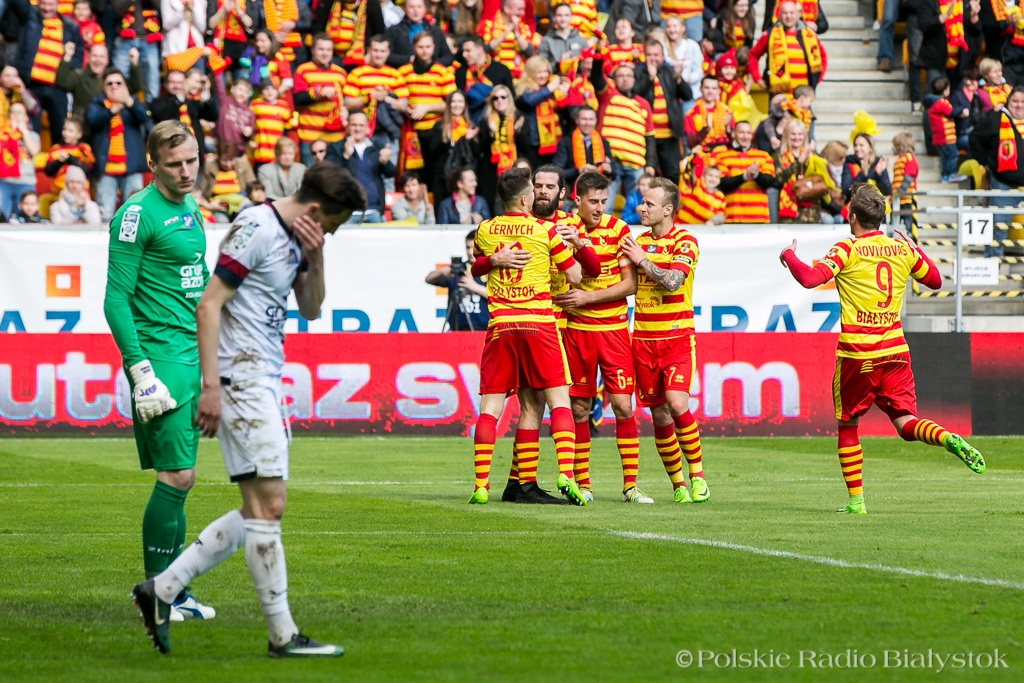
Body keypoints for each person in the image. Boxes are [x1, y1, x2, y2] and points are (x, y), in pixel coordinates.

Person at [132, 161, 366, 657]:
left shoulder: (300, 238)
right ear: (317, 208)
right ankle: (282, 636)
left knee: (263, 507)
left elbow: (310, 309)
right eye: (333, 224)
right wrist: (211, 387)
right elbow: (209, 304)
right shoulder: (255, 227)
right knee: (269, 506)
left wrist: (316, 258)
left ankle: (162, 590)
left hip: (264, 376)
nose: (331, 232)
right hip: (240, 378)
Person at [779, 184, 985, 515]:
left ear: (853, 215)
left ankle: (856, 502)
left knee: (848, 424)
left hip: (858, 355)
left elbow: (810, 279)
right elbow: (935, 281)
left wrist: (788, 255)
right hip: (895, 352)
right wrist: (915, 249)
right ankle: (946, 437)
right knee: (906, 424)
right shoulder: (901, 249)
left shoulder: (848, 248)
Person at [103, 121, 214, 624]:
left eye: (192, 160)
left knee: (184, 478)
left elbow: (197, 282)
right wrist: (140, 371)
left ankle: (173, 589)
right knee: (177, 475)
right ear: (152, 164)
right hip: (161, 361)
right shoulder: (135, 215)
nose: (187, 171)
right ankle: (157, 595)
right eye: (175, 164)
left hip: (192, 356)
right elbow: (115, 300)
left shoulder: (191, 207)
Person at [474, 164, 602, 503]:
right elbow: (576, 274)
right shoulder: (540, 230)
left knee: (537, 405)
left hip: (554, 323)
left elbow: (592, 271)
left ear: (561, 193)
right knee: (539, 404)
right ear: (529, 195)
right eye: (539, 185)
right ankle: (526, 483)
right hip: (542, 324)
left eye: (549, 186)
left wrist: (583, 243)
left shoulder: (570, 225)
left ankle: (511, 484)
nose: (543, 191)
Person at [552, 171, 646, 504]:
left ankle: (630, 486)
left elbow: (629, 285)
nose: (600, 207)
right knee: (578, 409)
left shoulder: (618, 229)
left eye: (604, 201)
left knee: (622, 405)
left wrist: (587, 298)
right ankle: (583, 484)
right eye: (593, 201)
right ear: (577, 200)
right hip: (577, 332)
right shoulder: (565, 228)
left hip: (614, 331)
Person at [618, 177, 709, 503]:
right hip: (642, 339)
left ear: (668, 210)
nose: (642, 208)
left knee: (676, 403)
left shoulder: (685, 240)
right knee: (658, 415)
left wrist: (642, 259)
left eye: (649, 204)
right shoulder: (635, 241)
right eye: (642, 203)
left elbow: (673, 282)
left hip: (677, 338)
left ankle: (697, 476)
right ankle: (678, 484)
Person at [9, 0, 84, 142]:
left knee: (60, 129)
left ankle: (58, 161)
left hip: (57, 87)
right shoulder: (30, 16)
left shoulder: (70, 26)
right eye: (43, 4)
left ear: (57, 5)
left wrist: (69, 76)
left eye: (51, 4)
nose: (47, 8)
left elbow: (78, 53)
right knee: (31, 129)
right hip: (31, 85)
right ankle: (31, 162)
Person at [86, 67, 150, 221]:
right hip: (106, 169)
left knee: (135, 214)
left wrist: (129, 103)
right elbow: (92, 121)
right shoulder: (96, 103)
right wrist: (113, 109)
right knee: (105, 214)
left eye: (118, 83)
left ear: (125, 86)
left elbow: (144, 119)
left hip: (132, 167)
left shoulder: (133, 102)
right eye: (110, 83)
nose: (114, 86)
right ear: (103, 87)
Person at [591, 57, 656, 207]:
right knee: (604, 207)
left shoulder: (643, 104)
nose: (625, 79)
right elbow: (596, 76)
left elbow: (650, 137)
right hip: (610, 161)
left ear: (634, 79)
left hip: (636, 163)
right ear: (613, 79)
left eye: (629, 76)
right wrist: (599, 55)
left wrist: (650, 163)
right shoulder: (607, 94)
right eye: (620, 76)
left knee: (641, 209)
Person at [968, 86, 1024, 257]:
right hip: (1003, 184)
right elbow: (975, 138)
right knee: (998, 228)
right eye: (1015, 101)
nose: (1019, 105)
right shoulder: (996, 119)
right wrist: (986, 161)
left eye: (1023, 102)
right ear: (1008, 102)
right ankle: (992, 267)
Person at [633, 39, 692, 185]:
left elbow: (688, 96)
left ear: (663, 56)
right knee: (646, 175)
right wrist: (650, 78)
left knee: (672, 174)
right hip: (646, 135)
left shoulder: (670, 71)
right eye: (649, 55)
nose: (653, 58)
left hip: (669, 134)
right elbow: (635, 94)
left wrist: (679, 80)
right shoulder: (637, 72)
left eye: (656, 55)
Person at [343, 34, 409, 158]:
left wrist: (385, 98)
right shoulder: (356, 74)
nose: (379, 55)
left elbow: (403, 106)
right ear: (369, 50)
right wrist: (369, 97)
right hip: (361, 132)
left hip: (387, 133)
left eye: (382, 51)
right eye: (375, 51)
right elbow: (348, 104)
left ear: (388, 52)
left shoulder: (396, 75)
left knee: (387, 173)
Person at [56, 43, 142, 134]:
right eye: (94, 56)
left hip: (106, 132)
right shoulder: (79, 76)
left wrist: (134, 63)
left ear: (107, 60)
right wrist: (67, 56)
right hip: (84, 131)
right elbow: (62, 83)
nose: (98, 60)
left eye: (101, 57)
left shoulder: (112, 80)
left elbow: (134, 87)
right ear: (88, 58)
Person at [398, 32, 457, 160]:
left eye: (428, 47)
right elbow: (398, 99)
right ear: (413, 48)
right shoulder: (403, 72)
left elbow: (452, 104)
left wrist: (426, 108)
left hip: (435, 129)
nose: (424, 51)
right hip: (410, 130)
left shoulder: (443, 72)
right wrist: (405, 108)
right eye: (420, 47)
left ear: (434, 47)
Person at [748, 1, 827, 95]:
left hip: (803, 95)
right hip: (779, 94)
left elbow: (822, 56)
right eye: (785, 13)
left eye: (792, 13)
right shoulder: (770, 34)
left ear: (799, 14)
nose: (788, 16)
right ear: (779, 15)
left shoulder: (809, 35)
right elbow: (753, 55)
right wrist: (758, 79)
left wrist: (817, 78)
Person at [293, 33, 349, 165]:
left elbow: (346, 100)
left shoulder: (341, 73)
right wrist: (319, 92)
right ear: (313, 50)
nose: (325, 53)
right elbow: (299, 98)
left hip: (335, 137)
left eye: (328, 50)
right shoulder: (303, 70)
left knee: (335, 179)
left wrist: (346, 112)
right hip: (310, 136)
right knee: (312, 178)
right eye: (321, 49)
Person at [330, 110, 395, 223]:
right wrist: (345, 156)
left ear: (367, 127)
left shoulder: (376, 147)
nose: (357, 129)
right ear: (347, 126)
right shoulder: (336, 147)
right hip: (346, 212)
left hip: (374, 210)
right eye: (354, 125)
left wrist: (386, 163)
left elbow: (390, 173)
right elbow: (329, 176)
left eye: (361, 125)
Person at [150, 70, 219, 175]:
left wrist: (205, 92)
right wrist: (180, 96)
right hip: (172, 159)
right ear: (165, 84)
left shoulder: (192, 103)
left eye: (180, 83)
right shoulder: (159, 102)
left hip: (194, 158)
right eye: (172, 82)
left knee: (195, 191)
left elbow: (212, 116)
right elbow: (162, 115)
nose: (176, 86)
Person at [422, 91, 481, 210]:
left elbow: (477, 155)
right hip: (442, 179)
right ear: (449, 105)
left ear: (464, 105)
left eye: (460, 101)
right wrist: (446, 140)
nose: (457, 105)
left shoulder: (470, 127)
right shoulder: (440, 126)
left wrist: (470, 140)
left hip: (463, 181)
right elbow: (432, 154)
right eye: (453, 101)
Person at [425, 228, 489, 330]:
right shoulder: (458, 269)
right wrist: (442, 271)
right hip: (459, 326)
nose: (470, 252)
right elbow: (428, 279)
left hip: (484, 327)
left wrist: (474, 286)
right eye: (468, 248)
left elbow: (499, 298)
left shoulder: (490, 269)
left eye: (474, 248)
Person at [476, 85, 525, 213]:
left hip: (513, 172)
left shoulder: (519, 117)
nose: (500, 100)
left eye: (503, 97)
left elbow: (526, 147)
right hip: (491, 172)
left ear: (509, 99)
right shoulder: (486, 121)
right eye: (495, 98)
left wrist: (517, 132)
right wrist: (491, 133)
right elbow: (482, 148)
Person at [774, 119, 834, 223]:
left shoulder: (813, 154)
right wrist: (798, 162)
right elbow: (779, 179)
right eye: (793, 134)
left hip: (811, 212)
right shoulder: (780, 156)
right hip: (790, 215)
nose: (796, 137)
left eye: (800, 134)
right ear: (787, 135)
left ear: (804, 136)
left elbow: (822, 180)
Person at [716, 121, 776, 223]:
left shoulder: (764, 156)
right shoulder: (722, 157)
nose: (745, 136)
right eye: (741, 132)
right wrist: (745, 176)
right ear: (733, 134)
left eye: (748, 133)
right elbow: (723, 183)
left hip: (759, 218)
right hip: (733, 218)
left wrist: (756, 174)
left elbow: (769, 181)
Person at [514, 56, 567, 170]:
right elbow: (529, 101)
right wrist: (549, 89)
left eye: (545, 71)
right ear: (530, 72)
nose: (543, 75)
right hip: (533, 143)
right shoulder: (522, 87)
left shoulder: (553, 90)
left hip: (554, 143)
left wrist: (564, 93)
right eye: (539, 72)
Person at [454, 35, 515, 125]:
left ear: (480, 50)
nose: (464, 55)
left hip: (498, 122)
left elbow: (511, 97)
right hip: (468, 123)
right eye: (463, 51)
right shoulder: (460, 72)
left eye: (468, 51)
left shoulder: (501, 70)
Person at [111, 0, 162, 102]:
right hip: (124, 41)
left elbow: (160, 6)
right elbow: (118, 10)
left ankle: (151, 113)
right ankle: (118, 112)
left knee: (152, 81)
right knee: (118, 79)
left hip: (149, 40)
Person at [551, 105, 615, 185]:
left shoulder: (604, 143)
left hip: (597, 189)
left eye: (591, 119)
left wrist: (609, 170)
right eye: (584, 119)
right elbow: (556, 173)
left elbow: (614, 174)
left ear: (596, 121)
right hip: (572, 192)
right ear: (577, 120)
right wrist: (579, 171)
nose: (587, 123)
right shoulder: (565, 142)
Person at [383, 0, 455, 68]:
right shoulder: (394, 30)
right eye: (411, 7)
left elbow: (448, 57)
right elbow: (386, 56)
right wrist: (410, 59)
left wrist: (431, 64)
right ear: (404, 9)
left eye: (419, 7)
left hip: (432, 76)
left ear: (424, 9)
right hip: (403, 75)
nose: (415, 10)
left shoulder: (435, 31)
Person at [0, 102, 41, 219]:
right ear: (9, 116)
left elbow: (34, 151)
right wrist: (8, 133)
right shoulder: (1, 134)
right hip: (3, 181)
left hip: (25, 182)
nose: (17, 115)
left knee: (26, 218)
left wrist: (24, 132)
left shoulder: (33, 135)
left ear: (26, 118)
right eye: (14, 112)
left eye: (20, 112)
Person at [480, 0, 540, 79]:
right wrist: (505, 34)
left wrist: (516, 34)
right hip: (494, 77)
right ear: (506, 9)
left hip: (519, 77)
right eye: (519, 9)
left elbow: (530, 52)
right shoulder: (488, 25)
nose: (523, 13)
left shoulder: (523, 28)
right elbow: (483, 50)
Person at [201, 141, 258, 222]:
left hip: (240, 205)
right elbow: (200, 192)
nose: (228, 164)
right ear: (218, 157)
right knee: (222, 221)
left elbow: (253, 187)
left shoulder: (243, 164)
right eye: (224, 160)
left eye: (231, 160)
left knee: (247, 218)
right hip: (218, 207)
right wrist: (209, 205)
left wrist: (248, 200)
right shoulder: (209, 167)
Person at [42, 115, 95, 195]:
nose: (66, 133)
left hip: (80, 192)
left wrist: (71, 159)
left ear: (79, 134)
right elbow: (48, 171)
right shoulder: (55, 149)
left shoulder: (84, 149)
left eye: (70, 131)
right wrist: (59, 161)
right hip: (59, 191)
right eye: (64, 129)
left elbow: (88, 170)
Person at [928, 78, 967, 183]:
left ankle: (945, 176)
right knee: (953, 154)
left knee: (945, 157)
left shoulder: (934, 103)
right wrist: (962, 110)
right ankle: (952, 174)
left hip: (939, 139)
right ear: (945, 91)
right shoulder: (941, 103)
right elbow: (951, 112)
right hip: (945, 138)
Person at [249, 79, 293, 168]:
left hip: (277, 152)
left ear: (277, 91)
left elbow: (287, 128)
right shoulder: (255, 104)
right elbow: (249, 124)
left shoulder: (284, 106)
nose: (270, 92)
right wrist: (250, 141)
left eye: (273, 89)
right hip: (260, 151)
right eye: (266, 89)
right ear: (261, 92)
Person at [684, 76, 733, 153]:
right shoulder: (691, 113)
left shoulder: (727, 112)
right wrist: (706, 129)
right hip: (701, 155)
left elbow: (735, 143)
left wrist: (727, 128)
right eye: (707, 88)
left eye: (714, 88)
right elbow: (690, 143)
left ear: (718, 91)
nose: (710, 91)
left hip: (724, 155)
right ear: (700, 89)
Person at [538, 3, 588, 71]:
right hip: (556, 79)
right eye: (559, 15)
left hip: (577, 79)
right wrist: (559, 64)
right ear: (554, 17)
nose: (563, 19)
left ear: (571, 17)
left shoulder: (581, 39)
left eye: (566, 15)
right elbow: (540, 67)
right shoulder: (546, 41)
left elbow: (588, 66)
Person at [842, 133, 891, 200]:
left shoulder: (877, 163)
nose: (857, 148)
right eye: (855, 145)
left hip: (875, 205)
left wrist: (879, 175)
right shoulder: (849, 163)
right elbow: (846, 190)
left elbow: (886, 192)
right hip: (855, 205)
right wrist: (862, 175)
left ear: (870, 147)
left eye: (861, 145)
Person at [891, 133, 919, 232]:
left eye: (894, 146)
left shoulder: (909, 158)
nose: (892, 148)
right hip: (897, 200)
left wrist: (899, 192)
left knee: (908, 224)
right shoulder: (899, 160)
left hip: (907, 199)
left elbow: (908, 178)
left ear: (901, 146)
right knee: (894, 225)